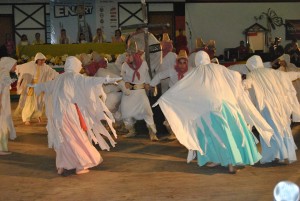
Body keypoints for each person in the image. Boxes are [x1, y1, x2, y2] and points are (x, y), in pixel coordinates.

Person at [154, 51, 272, 174]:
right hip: (226, 105)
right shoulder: (219, 68)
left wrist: (164, 98)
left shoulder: (194, 72)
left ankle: (230, 162)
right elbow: (235, 75)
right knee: (227, 133)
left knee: (212, 135)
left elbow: (180, 87)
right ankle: (218, 159)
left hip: (208, 109)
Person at [33, 56, 120, 175]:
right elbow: (90, 81)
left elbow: (48, 85)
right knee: (75, 136)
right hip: (68, 112)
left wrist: (37, 86)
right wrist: (106, 80)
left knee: (63, 138)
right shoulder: (75, 77)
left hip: (57, 114)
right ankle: (81, 164)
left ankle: (62, 164)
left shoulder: (60, 77)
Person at [243, 55, 300, 164]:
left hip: (266, 106)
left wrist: (241, 86)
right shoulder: (273, 72)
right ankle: (281, 154)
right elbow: (288, 76)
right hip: (281, 104)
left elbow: (248, 84)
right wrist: (298, 73)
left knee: (271, 130)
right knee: (283, 128)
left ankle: (282, 155)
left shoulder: (252, 74)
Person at [120, 40, 159, 141]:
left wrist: (148, 84)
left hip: (140, 93)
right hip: (129, 94)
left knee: (147, 112)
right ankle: (131, 131)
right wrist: (125, 83)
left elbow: (146, 76)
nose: (127, 57)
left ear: (135, 55)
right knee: (125, 112)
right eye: (126, 55)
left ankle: (152, 132)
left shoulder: (143, 64)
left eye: (129, 55)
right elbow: (122, 77)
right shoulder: (124, 65)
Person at [150, 50, 191, 140]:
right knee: (169, 116)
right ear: (177, 62)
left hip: (184, 97)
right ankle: (173, 133)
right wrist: (152, 85)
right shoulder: (173, 70)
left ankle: (184, 134)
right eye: (180, 62)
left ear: (187, 63)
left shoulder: (190, 72)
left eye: (184, 63)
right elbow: (160, 75)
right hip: (172, 96)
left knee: (184, 116)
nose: (182, 65)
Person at [15, 52, 59, 125]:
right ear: (36, 60)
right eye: (40, 60)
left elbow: (53, 73)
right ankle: (26, 118)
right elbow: (20, 68)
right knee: (29, 103)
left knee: (39, 103)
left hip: (40, 88)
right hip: (31, 87)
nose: (42, 61)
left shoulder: (46, 67)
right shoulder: (30, 65)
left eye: (43, 60)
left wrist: (60, 77)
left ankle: (37, 115)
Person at [0, 57, 17, 155]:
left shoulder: (3, 72)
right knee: (2, 124)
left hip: (3, 103)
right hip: (2, 104)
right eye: (14, 65)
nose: (15, 67)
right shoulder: (3, 73)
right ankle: (1, 148)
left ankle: (2, 148)